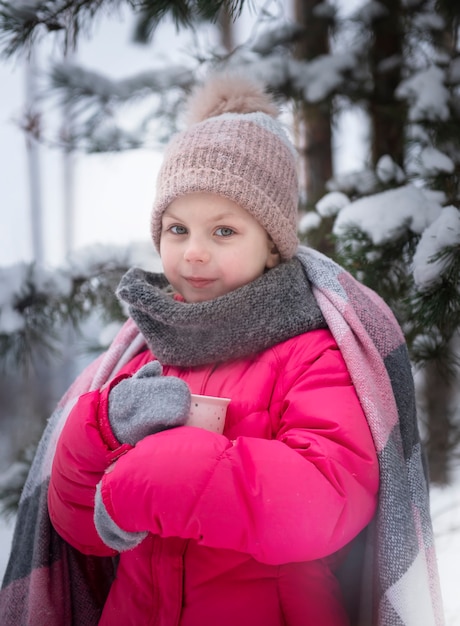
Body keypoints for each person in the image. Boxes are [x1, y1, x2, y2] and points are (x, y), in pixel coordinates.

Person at [0, 75, 443, 626]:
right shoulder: (142, 356)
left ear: (273, 245)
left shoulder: (311, 353)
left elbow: (327, 500)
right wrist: (101, 430)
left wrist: (159, 476)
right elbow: (82, 531)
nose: (194, 254)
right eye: (178, 229)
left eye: (225, 231)